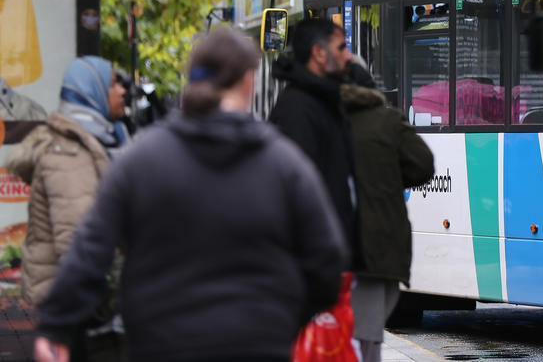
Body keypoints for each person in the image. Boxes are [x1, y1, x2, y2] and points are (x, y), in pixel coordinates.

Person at [32, 27, 347, 362]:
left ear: (192, 81)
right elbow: (327, 263)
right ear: (247, 81)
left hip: (161, 344)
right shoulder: (284, 164)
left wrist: (55, 327)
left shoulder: (141, 159)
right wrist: (280, 319)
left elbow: (90, 249)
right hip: (258, 344)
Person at [5, 56, 127, 362]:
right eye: (113, 83)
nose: (122, 90)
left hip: (79, 306)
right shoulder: (70, 152)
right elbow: (78, 242)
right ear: (92, 91)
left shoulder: (97, 142)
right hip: (77, 309)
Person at [342, 62, 434, 362]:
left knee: (350, 337)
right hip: (382, 249)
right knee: (368, 337)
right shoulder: (388, 121)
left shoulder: (324, 122)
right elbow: (422, 165)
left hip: (335, 249)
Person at [269, 18, 358, 260]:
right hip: (313, 267)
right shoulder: (298, 109)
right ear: (319, 53)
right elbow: (297, 196)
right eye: (341, 47)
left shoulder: (324, 102)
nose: (348, 56)